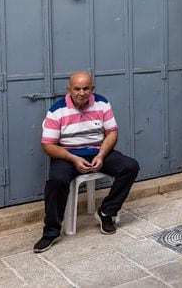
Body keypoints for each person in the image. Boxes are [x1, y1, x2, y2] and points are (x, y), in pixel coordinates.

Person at [33, 71, 140, 253]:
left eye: (86, 88)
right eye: (77, 89)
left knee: (130, 167)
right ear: (69, 89)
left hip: (98, 151)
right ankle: (51, 232)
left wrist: (101, 155)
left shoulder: (102, 103)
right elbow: (48, 145)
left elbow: (112, 132)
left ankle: (106, 212)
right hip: (68, 154)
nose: (81, 93)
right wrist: (73, 158)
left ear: (92, 89)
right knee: (56, 182)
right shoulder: (57, 110)